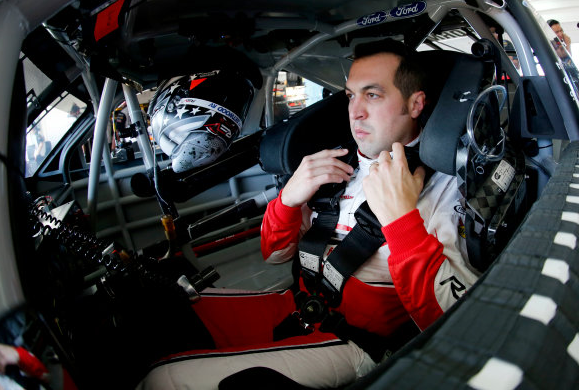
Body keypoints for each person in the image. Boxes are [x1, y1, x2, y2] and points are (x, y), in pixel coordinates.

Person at [138, 39, 478, 389]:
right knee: (164, 309)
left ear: (416, 103)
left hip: (358, 345)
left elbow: (454, 324)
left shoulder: (444, 188)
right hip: (297, 306)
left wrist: (401, 222)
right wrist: (288, 199)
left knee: (164, 381)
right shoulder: (333, 163)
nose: (355, 112)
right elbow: (275, 255)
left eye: (373, 95)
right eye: (350, 96)